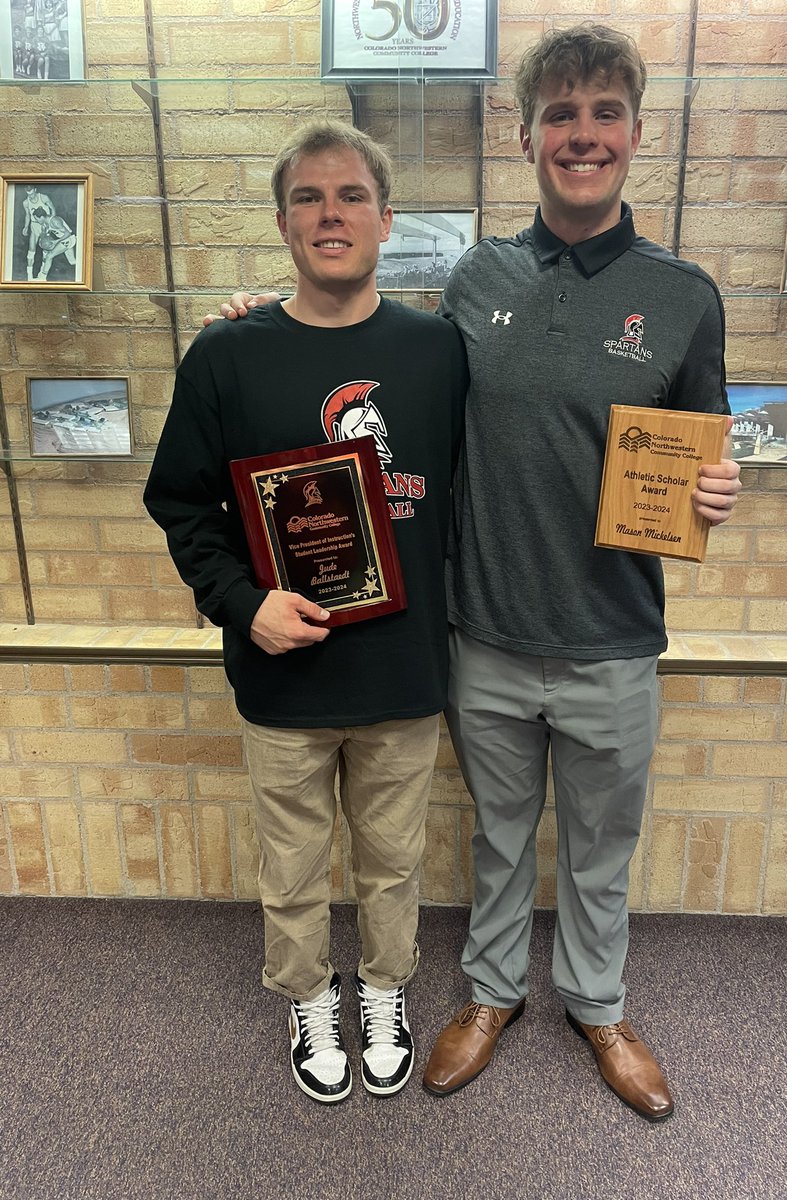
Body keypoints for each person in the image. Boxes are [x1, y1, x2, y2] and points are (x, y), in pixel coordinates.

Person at [213, 22, 741, 1123]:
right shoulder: (474, 279)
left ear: (635, 133)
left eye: (604, 114)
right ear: (526, 135)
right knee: (497, 839)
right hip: (484, 634)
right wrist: (257, 326)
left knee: (600, 848)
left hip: (613, 637)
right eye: (560, 115)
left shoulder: (685, 295)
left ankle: (598, 1005)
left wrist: (716, 490)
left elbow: (703, 444)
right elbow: (373, 351)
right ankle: (493, 994)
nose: (582, 135)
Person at [144, 120, 466, 1105]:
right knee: (291, 866)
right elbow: (181, 503)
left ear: (386, 218)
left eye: (352, 195)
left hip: (403, 670)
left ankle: (385, 988)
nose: (332, 214)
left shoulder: (440, 351)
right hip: (283, 672)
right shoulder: (226, 354)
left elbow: (494, 482)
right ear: (284, 223)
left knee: (393, 862)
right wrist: (243, 606)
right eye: (309, 198)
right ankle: (308, 997)